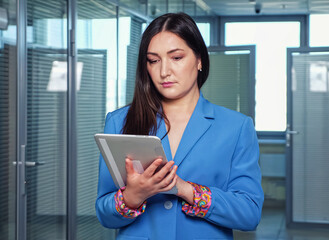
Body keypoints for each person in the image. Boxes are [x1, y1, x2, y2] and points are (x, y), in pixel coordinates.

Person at [96, 12, 264, 240]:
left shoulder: (236, 127)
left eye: (176, 57)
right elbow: (105, 215)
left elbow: (249, 213)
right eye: (154, 60)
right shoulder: (120, 121)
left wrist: (187, 190)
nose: (164, 71)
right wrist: (132, 196)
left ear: (199, 59)